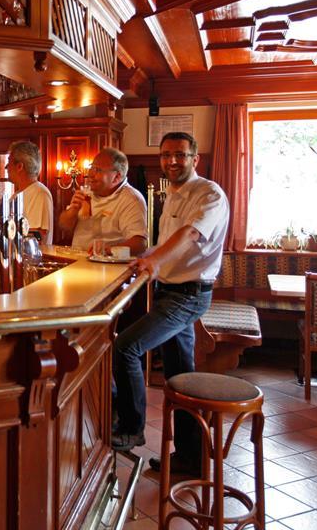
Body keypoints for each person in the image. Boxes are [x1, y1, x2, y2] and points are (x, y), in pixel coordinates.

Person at [110, 132, 230, 479]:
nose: (172, 161)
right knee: (181, 378)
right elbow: (167, 245)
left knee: (126, 347)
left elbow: (190, 234)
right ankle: (190, 458)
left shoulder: (209, 194)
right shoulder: (173, 193)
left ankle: (131, 428)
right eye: (165, 155)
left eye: (180, 155)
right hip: (170, 291)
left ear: (195, 159)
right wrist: (139, 260)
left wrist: (153, 261)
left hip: (188, 295)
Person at [57, 147, 147, 257]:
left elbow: (140, 244)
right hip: (78, 259)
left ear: (116, 177)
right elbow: (64, 226)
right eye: (92, 168)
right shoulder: (87, 192)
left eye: (98, 170)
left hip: (110, 263)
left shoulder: (131, 199)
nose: (90, 174)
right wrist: (73, 210)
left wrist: (109, 250)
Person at [5, 140, 54, 244]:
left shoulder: (40, 194)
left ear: (19, 166)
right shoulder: (15, 196)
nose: (6, 167)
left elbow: (38, 236)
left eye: (9, 162)